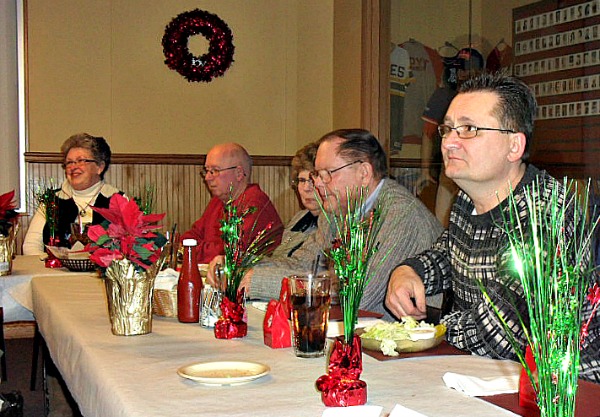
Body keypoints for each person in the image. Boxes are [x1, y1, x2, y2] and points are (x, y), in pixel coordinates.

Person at [385, 72, 600, 383]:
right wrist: (410, 270)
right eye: (447, 129)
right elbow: (450, 254)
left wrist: (430, 329)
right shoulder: (468, 199)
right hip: (490, 376)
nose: (449, 142)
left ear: (514, 146)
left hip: (566, 390)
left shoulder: (547, 213)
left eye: (469, 129)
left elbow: (497, 334)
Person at [212, 129, 442, 320]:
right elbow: (303, 263)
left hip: (402, 348)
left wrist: (263, 282)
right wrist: (239, 267)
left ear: (364, 173)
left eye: (326, 174)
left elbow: (360, 296)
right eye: (316, 175)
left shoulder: (401, 214)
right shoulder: (339, 209)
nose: (318, 185)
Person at [207, 142, 320, 291]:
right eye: (301, 180)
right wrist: (234, 261)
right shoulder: (299, 218)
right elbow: (280, 262)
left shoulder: (331, 224)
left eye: (312, 180)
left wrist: (253, 276)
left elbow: (307, 272)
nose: (306, 188)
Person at [181, 142, 283, 264]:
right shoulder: (218, 201)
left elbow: (230, 252)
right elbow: (189, 238)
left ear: (239, 173)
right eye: (207, 171)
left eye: (214, 171)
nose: (207, 177)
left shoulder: (255, 205)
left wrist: (194, 250)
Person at [23, 133, 121, 255]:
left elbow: (129, 246)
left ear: (99, 167)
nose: (73, 167)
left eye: (80, 161)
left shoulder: (118, 200)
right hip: (55, 272)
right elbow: (30, 246)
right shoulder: (52, 201)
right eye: (69, 162)